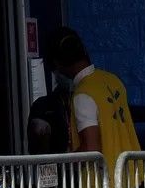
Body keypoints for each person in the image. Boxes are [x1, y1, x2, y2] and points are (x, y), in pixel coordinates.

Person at [47, 27, 140, 179]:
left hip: (105, 187)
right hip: (133, 178)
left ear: (58, 64)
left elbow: (91, 149)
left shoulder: (83, 94)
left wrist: (61, 162)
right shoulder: (112, 80)